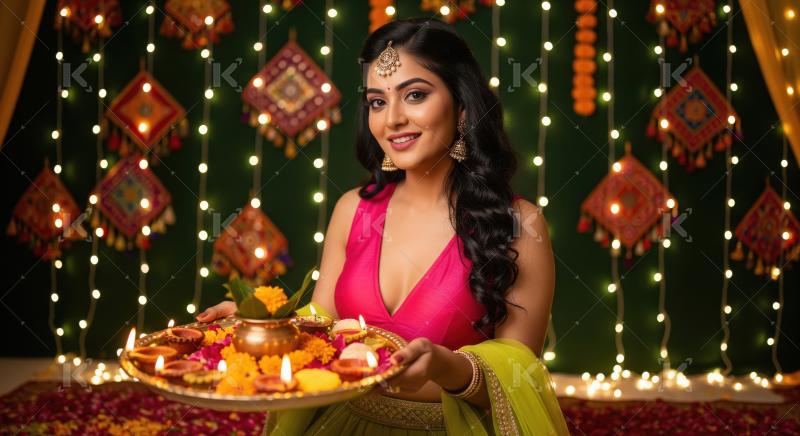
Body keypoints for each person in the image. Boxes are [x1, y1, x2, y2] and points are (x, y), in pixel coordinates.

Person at [197, 18, 568, 435]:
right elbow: (321, 327)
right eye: (377, 101)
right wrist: (264, 329)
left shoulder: (519, 224)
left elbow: (519, 377)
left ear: (461, 106)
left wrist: (448, 366)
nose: (392, 119)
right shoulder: (352, 209)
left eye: (414, 95)